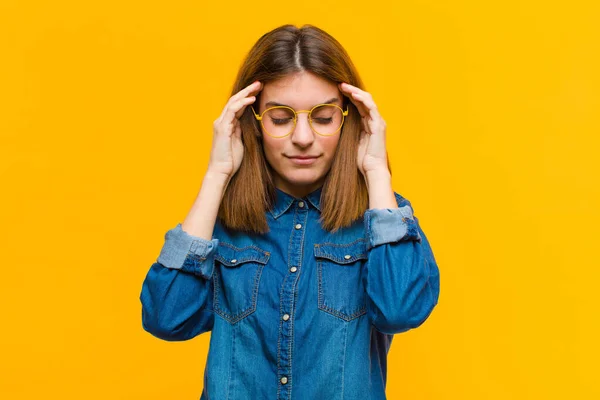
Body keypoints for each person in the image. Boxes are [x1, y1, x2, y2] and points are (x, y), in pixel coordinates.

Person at [139, 24, 440, 400]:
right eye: (281, 118)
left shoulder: (384, 218)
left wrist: (377, 170)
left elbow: (400, 311)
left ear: (349, 119)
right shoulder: (219, 222)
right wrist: (217, 175)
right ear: (253, 122)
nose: (302, 137)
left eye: (323, 117)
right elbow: (166, 318)